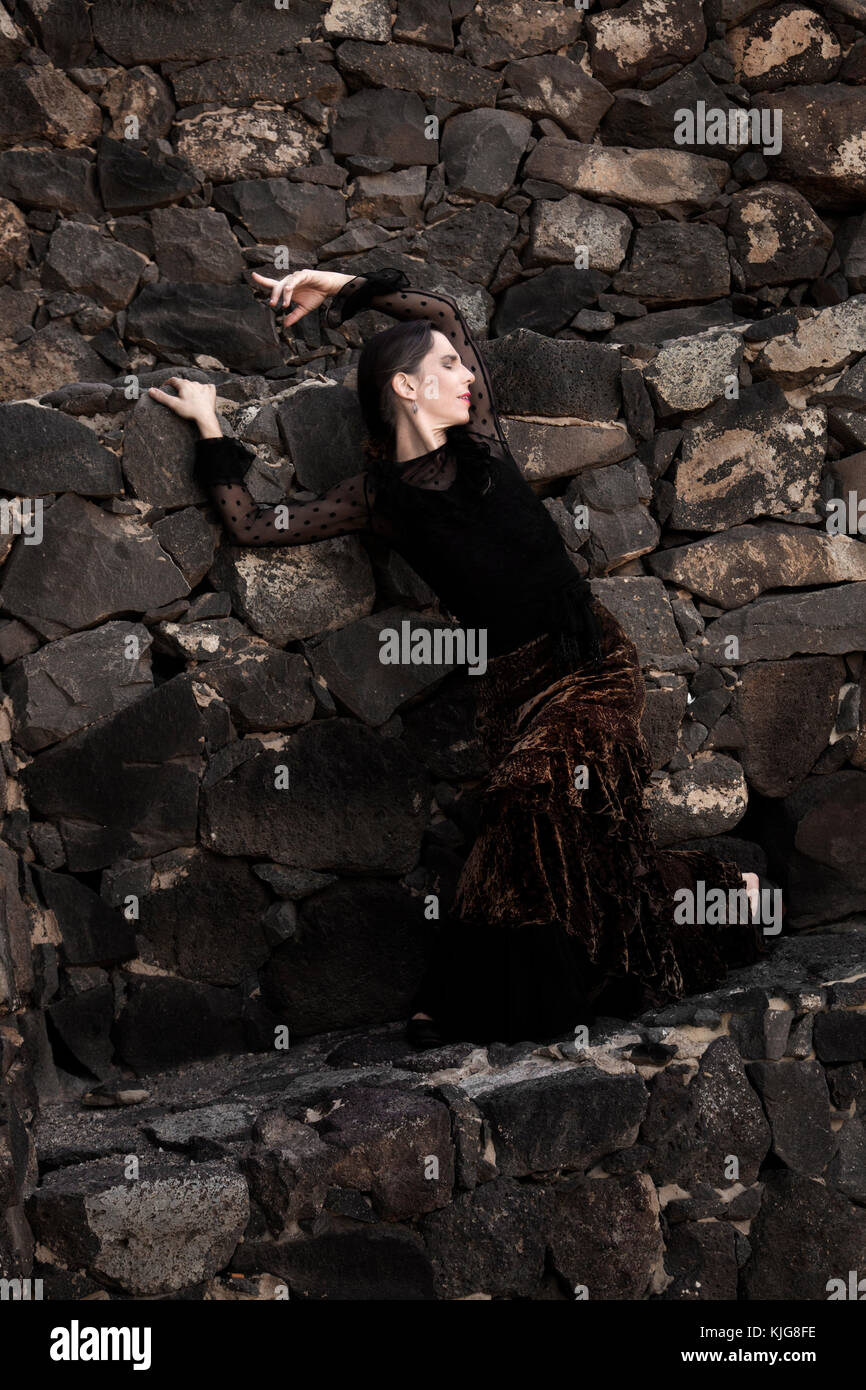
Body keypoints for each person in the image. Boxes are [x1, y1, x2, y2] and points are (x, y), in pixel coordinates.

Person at [150, 265, 769, 1050]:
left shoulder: (483, 444)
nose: (463, 374)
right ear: (404, 388)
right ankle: (709, 896)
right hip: (513, 689)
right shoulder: (379, 496)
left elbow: (440, 307)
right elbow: (259, 525)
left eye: (459, 361)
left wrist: (333, 289)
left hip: (592, 664)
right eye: (444, 365)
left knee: (534, 798)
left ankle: (485, 999)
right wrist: (208, 424)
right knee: (569, 851)